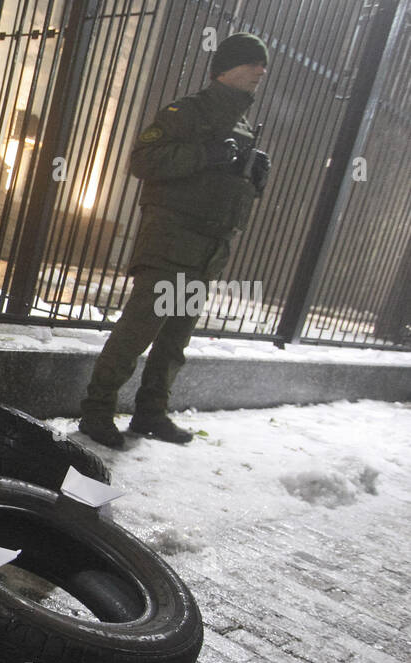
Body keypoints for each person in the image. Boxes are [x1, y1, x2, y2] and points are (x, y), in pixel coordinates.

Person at [79, 33, 271, 448]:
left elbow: (222, 187)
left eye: (264, 65)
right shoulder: (186, 112)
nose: (261, 71)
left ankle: (150, 414)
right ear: (226, 68)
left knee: (175, 339)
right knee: (138, 331)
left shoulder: (240, 125)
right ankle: (96, 412)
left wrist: (252, 179)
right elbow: (143, 161)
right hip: (170, 242)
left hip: (206, 248)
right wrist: (209, 155)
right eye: (253, 63)